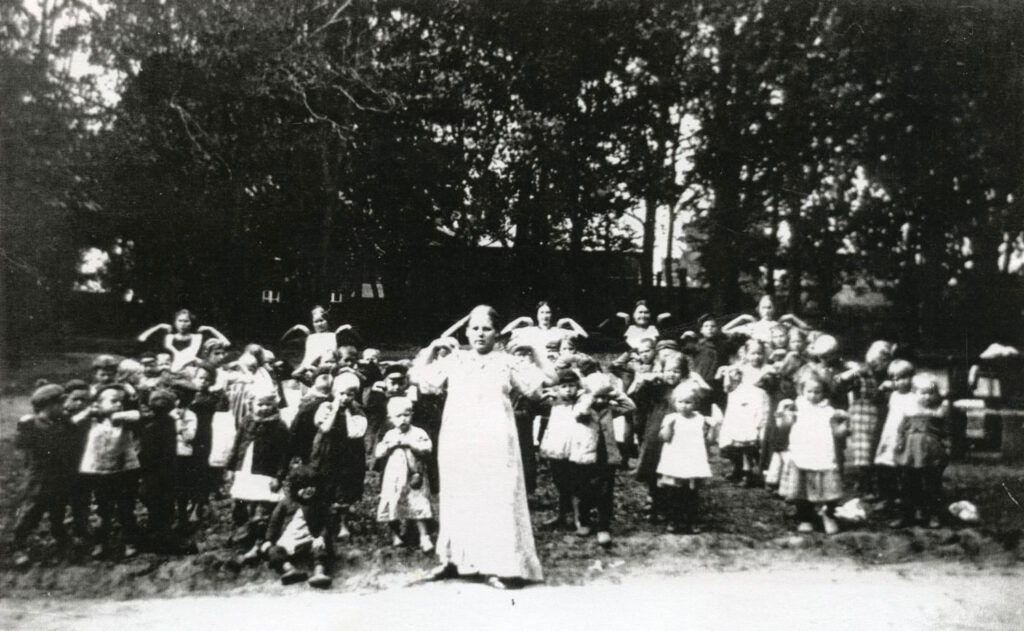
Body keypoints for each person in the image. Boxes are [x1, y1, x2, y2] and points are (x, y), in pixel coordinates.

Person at [412, 305, 555, 589]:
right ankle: (453, 561)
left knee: (496, 499)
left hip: (496, 440)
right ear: (466, 332)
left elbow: (547, 382)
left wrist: (535, 352)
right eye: (474, 328)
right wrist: (432, 347)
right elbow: (420, 379)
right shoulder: (455, 360)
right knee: (458, 498)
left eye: (486, 328)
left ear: (496, 333)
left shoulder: (507, 362)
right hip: (458, 440)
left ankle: (499, 567)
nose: (480, 333)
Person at [11, 384, 80, 566]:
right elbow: (21, 446)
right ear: (48, 405)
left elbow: (74, 441)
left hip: (60, 476)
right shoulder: (31, 424)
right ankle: (19, 546)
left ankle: (63, 544)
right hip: (39, 477)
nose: (63, 407)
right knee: (31, 513)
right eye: (60, 403)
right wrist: (23, 426)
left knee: (58, 513)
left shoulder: (64, 422)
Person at [73, 383, 143, 558]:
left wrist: (116, 412)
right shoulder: (92, 420)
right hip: (100, 472)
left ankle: (130, 541)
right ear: (98, 403)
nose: (118, 404)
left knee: (126, 507)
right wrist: (91, 411)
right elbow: (73, 422)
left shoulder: (123, 419)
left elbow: (136, 415)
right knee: (102, 508)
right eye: (113, 401)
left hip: (123, 470)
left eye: (120, 401)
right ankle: (100, 542)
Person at [567, 372, 635, 546]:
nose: (600, 401)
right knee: (584, 491)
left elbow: (630, 406)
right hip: (585, 456)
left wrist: (613, 393)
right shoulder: (582, 407)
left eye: (603, 397)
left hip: (606, 457)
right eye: (597, 397)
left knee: (605, 493)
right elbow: (579, 413)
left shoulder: (610, 409)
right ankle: (585, 521)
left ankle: (603, 527)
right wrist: (591, 396)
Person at [777, 370, 849, 535]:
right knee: (802, 489)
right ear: (802, 390)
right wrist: (785, 416)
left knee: (829, 489)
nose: (813, 396)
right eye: (809, 391)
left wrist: (844, 425)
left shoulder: (829, 410)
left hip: (822, 453)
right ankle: (805, 517)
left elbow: (838, 433)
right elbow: (785, 426)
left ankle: (828, 514)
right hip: (803, 452)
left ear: (824, 392)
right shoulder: (797, 407)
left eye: (817, 392)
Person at [226, 392, 290, 561]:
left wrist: (279, 476)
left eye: (267, 405)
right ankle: (243, 532)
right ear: (252, 404)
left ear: (274, 406)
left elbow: (284, 454)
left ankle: (259, 542)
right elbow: (237, 444)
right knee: (240, 503)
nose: (263, 408)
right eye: (259, 404)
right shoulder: (247, 421)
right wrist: (232, 468)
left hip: (265, 473)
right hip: (245, 470)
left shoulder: (279, 426)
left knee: (262, 507)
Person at [310, 371, 368, 540]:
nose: (345, 398)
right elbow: (325, 427)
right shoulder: (325, 407)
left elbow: (354, 433)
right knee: (325, 482)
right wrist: (335, 410)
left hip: (348, 453)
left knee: (345, 486)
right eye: (341, 394)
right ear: (335, 392)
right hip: (327, 451)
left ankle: (343, 523)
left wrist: (348, 413)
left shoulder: (357, 410)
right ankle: (323, 521)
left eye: (349, 394)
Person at [260, 465, 337, 588]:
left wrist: (321, 537)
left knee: (321, 548)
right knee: (273, 551)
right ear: (295, 487)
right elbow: (274, 523)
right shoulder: (286, 503)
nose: (309, 490)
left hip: (309, 540)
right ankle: (289, 570)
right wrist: (269, 540)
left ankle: (319, 573)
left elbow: (327, 524)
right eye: (304, 487)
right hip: (288, 542)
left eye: (312, 486)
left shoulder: (318, 504)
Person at [374, 397, 435, 552]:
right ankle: (395, 534)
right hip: (394, 477)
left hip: (415, 475)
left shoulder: (418, 433)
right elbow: (378, 452)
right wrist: (389, 447)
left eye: (406, 415)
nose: (403, 419)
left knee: (418, 502)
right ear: (390, 418)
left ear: (412, 415)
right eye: (398, 416)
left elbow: (427, 448)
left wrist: (411, 445)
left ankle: (424, 536)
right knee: (392, 503)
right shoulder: (389, 435)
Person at [836, 341, 893, 498]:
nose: (879, 364)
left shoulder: (884, 374)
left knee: (874, 449)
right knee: (863, 450)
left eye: (884, 360)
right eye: (878, 360)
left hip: (877, 413)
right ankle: (865, 485)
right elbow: (840, 382)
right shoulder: (861, 372)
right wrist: (853, 372)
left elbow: (878, 396)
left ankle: (870, 484)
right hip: (861, 413)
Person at [892, 374, 950, 528]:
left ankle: (933, 514)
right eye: (922, 392)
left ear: (936, 394)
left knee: (932, 484)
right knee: (908, 484)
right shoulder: (909, 411)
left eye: (930, 393)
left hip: (930, 452)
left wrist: (946, 447)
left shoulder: (938, 412)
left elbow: (945, 432)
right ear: (914, 394)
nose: (926, 397)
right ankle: (906, 515)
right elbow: (901, 430)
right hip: (911, 453)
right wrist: (898, 444)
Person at [656, 383, 715, 534]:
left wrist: (712, 427)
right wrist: (668, 426)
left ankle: (692, 520)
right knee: (674, 492)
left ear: (695, 403)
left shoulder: (700, 418)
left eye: (688, 402)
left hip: (692, 458)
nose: (683, 406)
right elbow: (665, 438)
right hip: (676, 458)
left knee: (691, 492)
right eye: (680, 402)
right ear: (674, 403)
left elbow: (708, 440)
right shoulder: (671, 417)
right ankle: (673, 520)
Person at [537, 369, 582, 530]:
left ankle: (579, 518)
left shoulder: (581, 402)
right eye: (564, 386)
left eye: (572, 386)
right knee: (560, 482)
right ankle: (562, 515)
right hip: (557, 446)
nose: (568, 389)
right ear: (558, 388)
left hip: (575, 448)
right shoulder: (553, 401)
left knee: (576, 483)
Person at [872, 359, 917, 510]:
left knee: (905, 469)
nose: (901, 382)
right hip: (890, 435)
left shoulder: (915, 395)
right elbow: (877, 400)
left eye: (905, 378)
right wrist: (883, 388)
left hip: (906, 436)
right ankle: (887, 498)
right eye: (896, 379)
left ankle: (905, 499)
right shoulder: (893, 395)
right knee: (885, 466)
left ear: (912, 377)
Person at [138, 309, 231, 373]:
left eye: (186, 321)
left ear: (191, 322)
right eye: (180, 321)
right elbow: (141, 339)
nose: (182, 324)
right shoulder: (168, 337)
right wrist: (158, 327)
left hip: (192, 370)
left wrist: (211, 329)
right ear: (175, 322)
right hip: (169, 370)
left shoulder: (198, 337)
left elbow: (226, 343)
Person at [282, 305, 356, 373]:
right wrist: (295, 328)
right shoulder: (310, 337)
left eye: (322, 320)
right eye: (316, 322)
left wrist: (348, 328)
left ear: (327, 321)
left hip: (329, 368)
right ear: (312, 323)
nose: (320, 324)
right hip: (310, 369)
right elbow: (283, 341)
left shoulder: (334, 335)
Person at [721, 295, 811, 345]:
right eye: (764, 308)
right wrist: (743, 317)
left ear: (774, 309)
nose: (767, 311)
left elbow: (808, 333)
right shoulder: (752, 326)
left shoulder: (781, 326)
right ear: (759, 309)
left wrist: (792, 317)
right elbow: (725, 330)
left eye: (769, 307)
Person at [502, 301, 588, 350]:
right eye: (542, 312)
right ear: (537, 315)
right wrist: (520, 319)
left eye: (548, 312)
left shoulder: (558, 331)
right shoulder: (528, 331)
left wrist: (570, 321)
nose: (545, 316)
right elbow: (503, 335)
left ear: (551, 315)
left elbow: (585, 336)